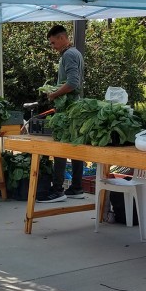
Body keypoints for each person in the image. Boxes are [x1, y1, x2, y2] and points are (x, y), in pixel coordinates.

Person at [39, 24, 85, 203]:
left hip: (68, 109)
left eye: (53, 43)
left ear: (62, 38)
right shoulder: (75, 53)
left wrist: (54, 94)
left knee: (60, 147)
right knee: (74, 148)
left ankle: (57, 189)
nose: (53, 46)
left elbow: (73, 82)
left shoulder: (69, 54)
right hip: (74, 108)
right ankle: (77, 187)